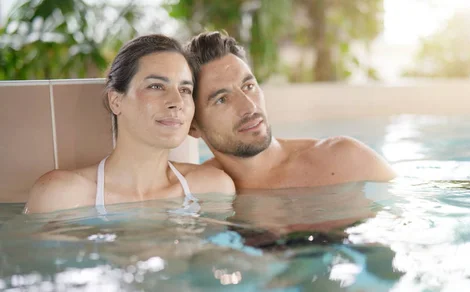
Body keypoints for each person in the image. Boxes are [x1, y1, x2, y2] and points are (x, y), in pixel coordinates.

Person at [25, 34, 234, 214]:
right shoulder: (60, 196)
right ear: (116, 101)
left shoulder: (212, 189)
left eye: (185, 89)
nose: (177, 103)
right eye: (156, 86)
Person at [185, 31, 396, 190]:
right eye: (222, 99)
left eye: (249, 86)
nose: (249, 106)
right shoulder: (199, 192)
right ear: (193, 126)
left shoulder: (344, 160)